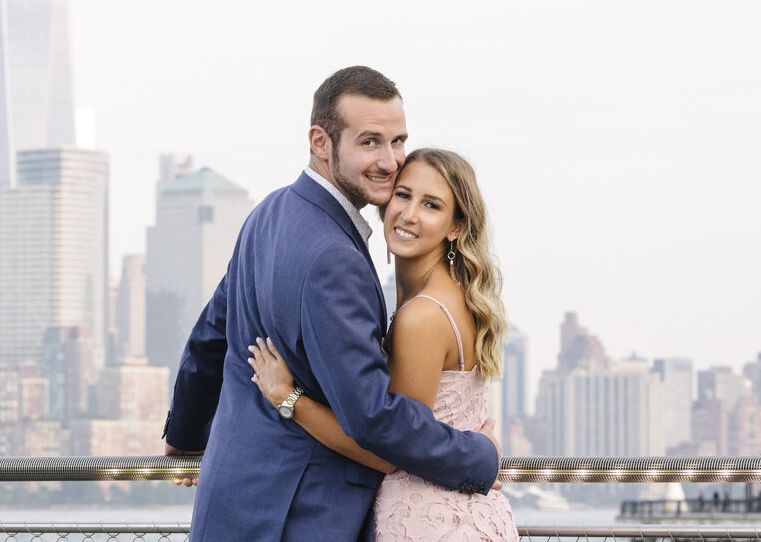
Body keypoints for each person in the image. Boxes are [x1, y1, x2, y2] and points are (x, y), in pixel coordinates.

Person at [162, 66, 500, 542]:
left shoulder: (269, 212)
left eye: (398, 140)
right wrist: (480, 457)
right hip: (300, 517)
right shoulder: (334, 257)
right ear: (321, 142)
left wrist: (184, 436)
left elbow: (210, 339)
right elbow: (374, 420)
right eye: (370, 142)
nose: (390, 160)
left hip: (231, 505)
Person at [248, 147, 516, 541]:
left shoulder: (422, 316)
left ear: (456, 226)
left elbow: (386, 451)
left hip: (429, 524)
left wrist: (288, 399)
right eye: (403, 195)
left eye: (431, 205)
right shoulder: (451, 297)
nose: (409, 214)